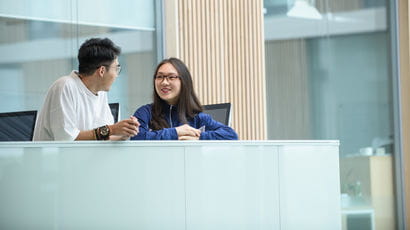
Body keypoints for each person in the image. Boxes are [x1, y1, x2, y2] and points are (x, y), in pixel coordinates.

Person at [33, 38, 140, 141]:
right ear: (102, 71)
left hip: (86, 158)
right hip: (55, 158)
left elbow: (104, 137)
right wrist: (112, 129)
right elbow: (66, 139)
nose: (117, 75)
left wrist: (123, 134)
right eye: (116, 68)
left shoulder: (100, 92)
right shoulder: (65, 86)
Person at [130, 57, 238, 140]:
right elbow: (135, 138)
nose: (164, 82)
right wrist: (176, 132)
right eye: (160, 77)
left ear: (184, 82)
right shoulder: (145, 113)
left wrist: (199, 137)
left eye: (171, 77)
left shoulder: (197, 118)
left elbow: (231, 135)